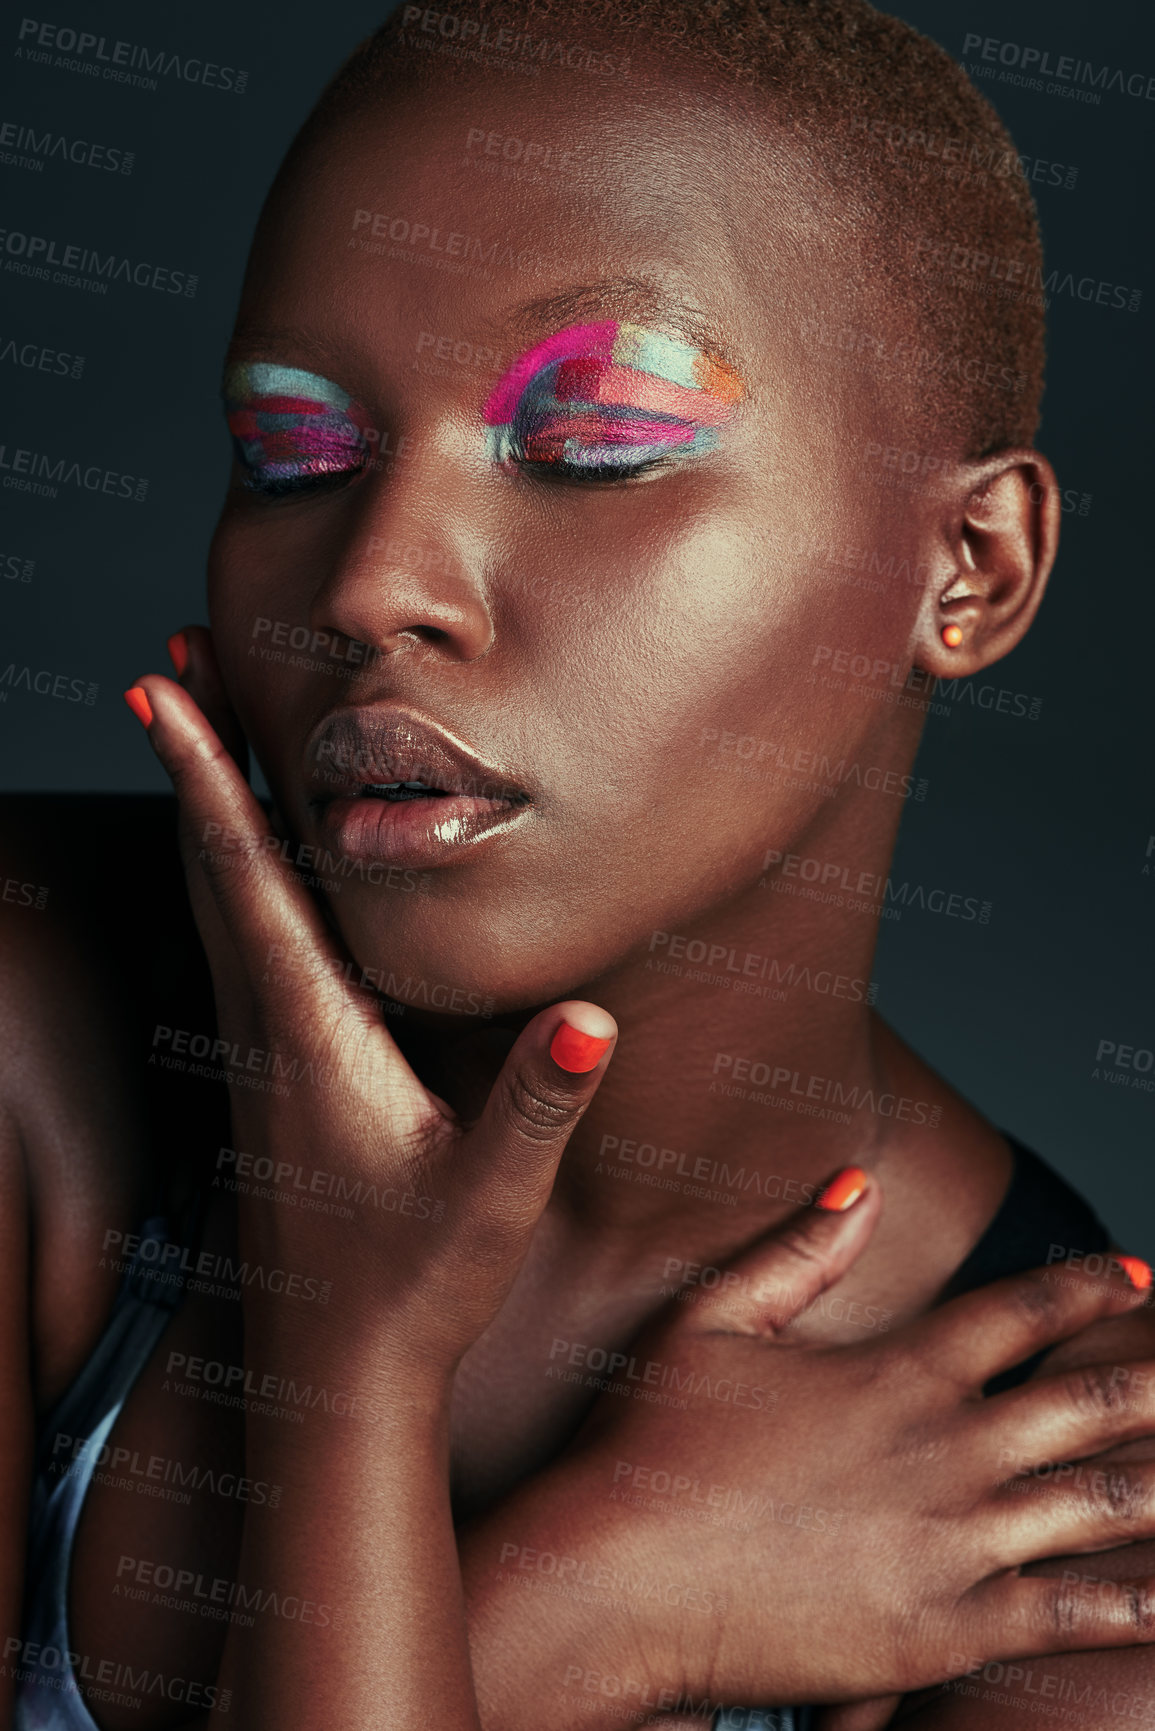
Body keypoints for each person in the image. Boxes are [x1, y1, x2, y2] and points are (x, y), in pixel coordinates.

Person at [3, 2, 1154, 1727]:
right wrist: (565, 1592)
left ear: (971, 570)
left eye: (592, 444)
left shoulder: (1061, 1524)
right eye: (294, 455)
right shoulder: (31, 1038)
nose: (372, 581)